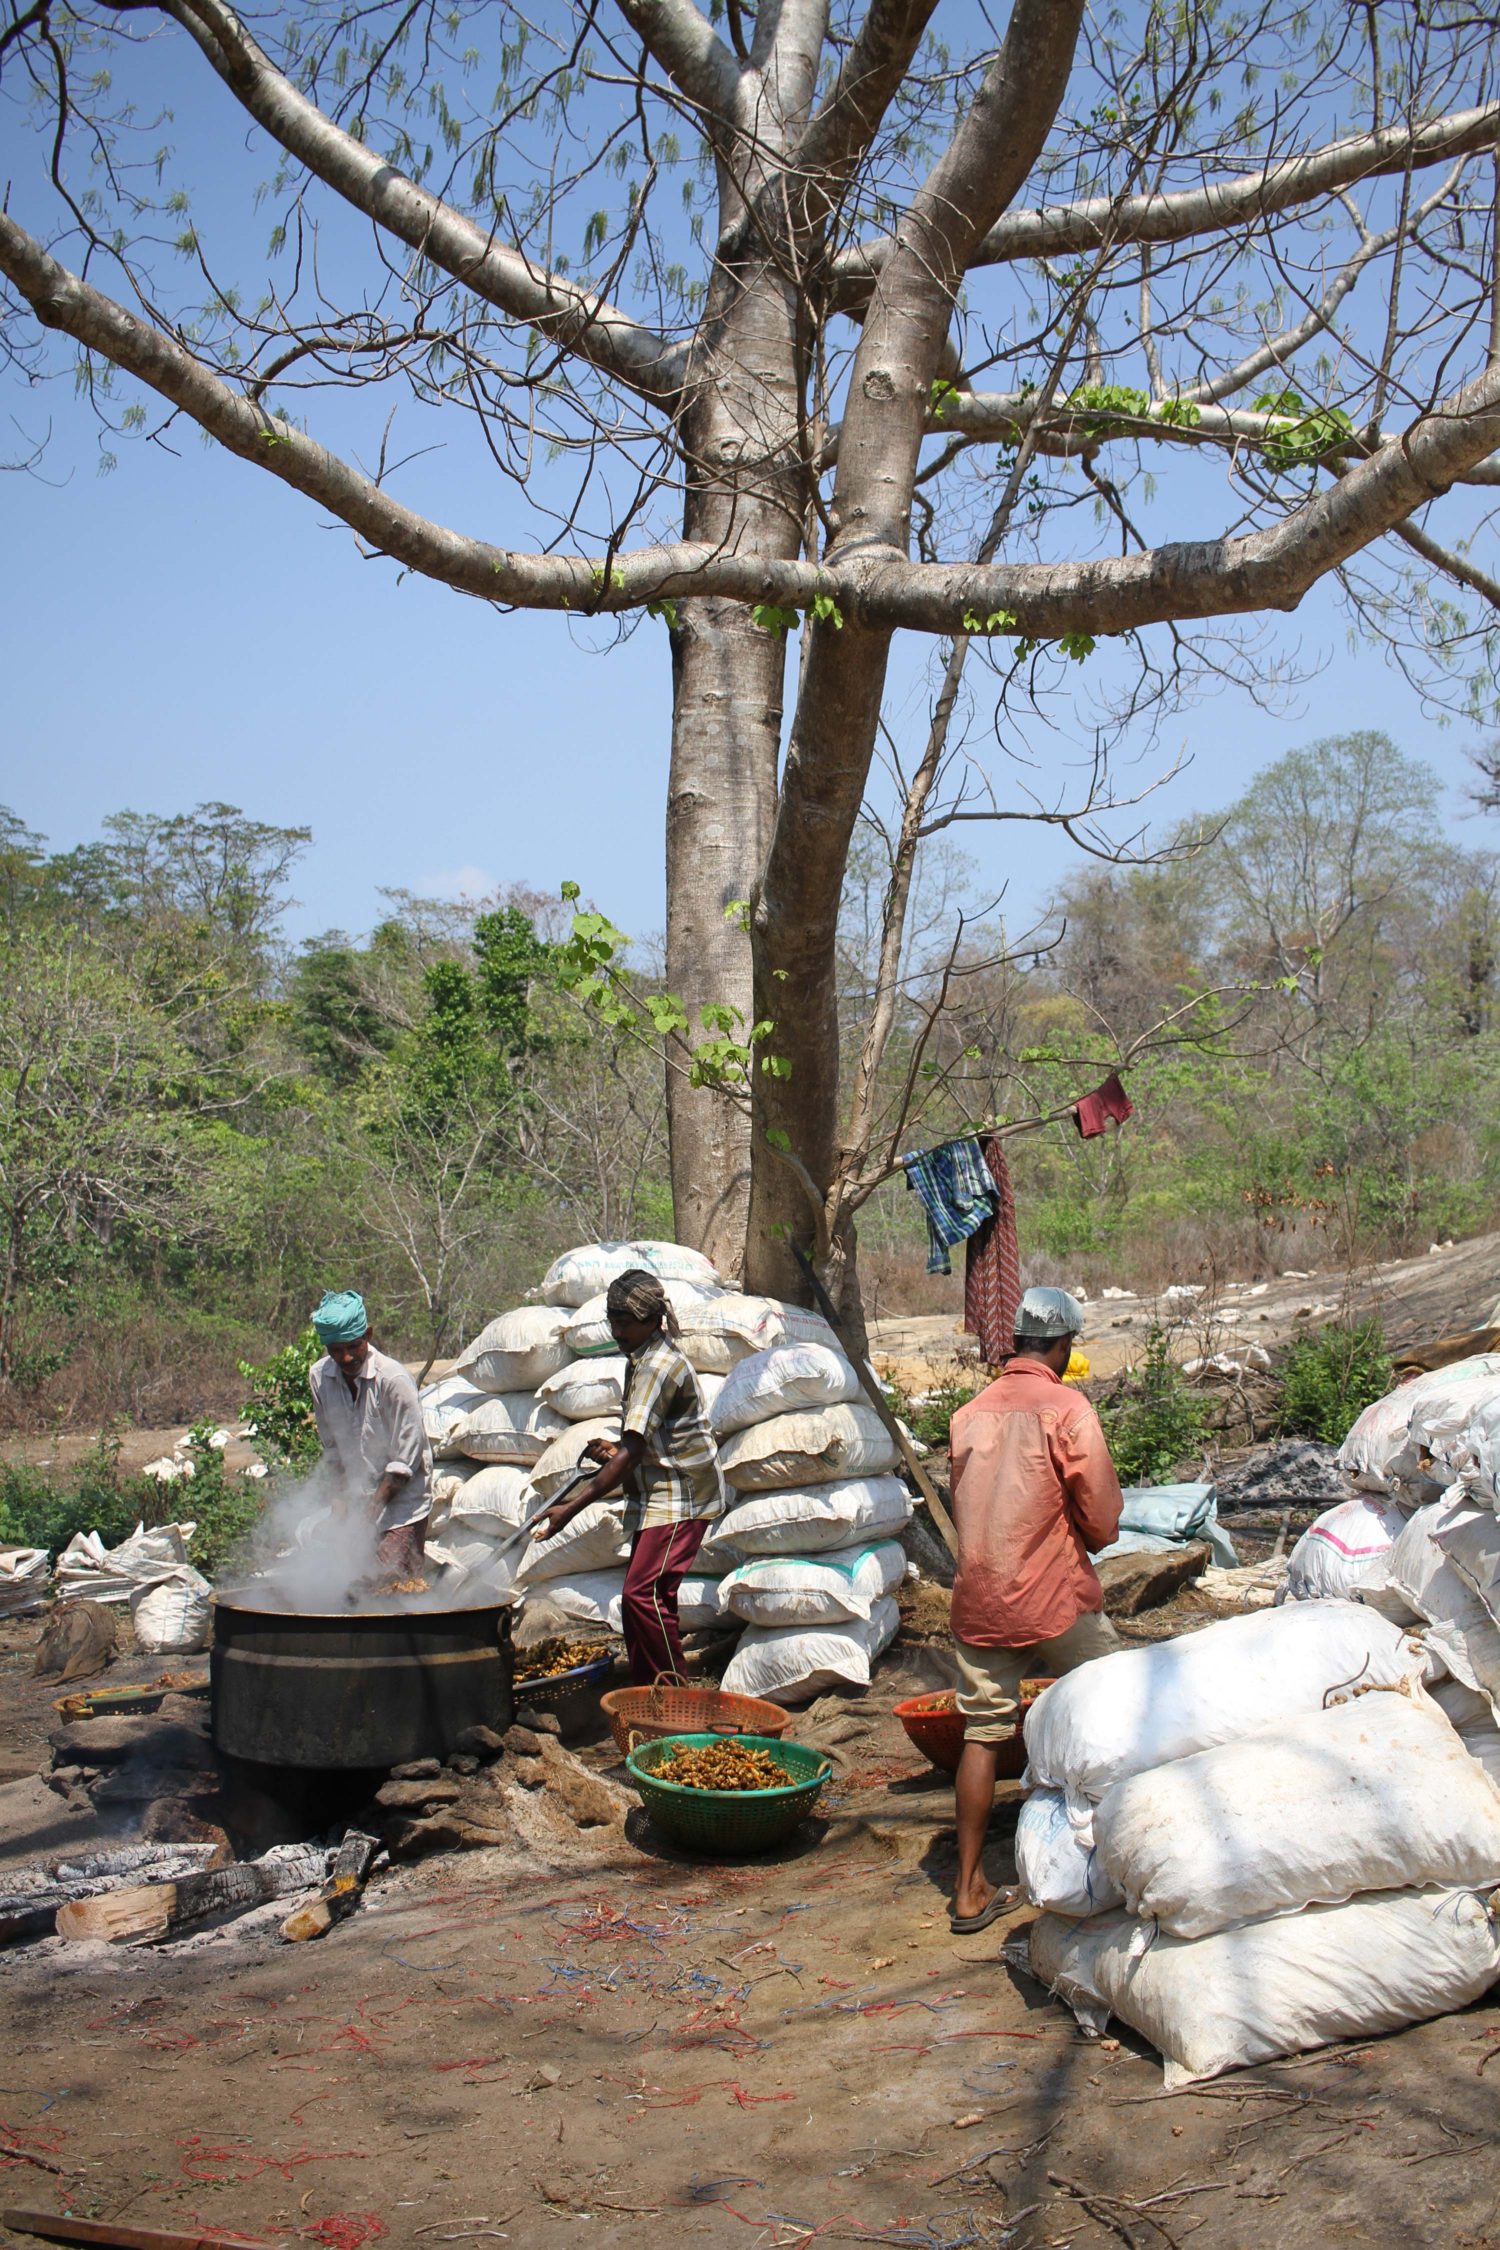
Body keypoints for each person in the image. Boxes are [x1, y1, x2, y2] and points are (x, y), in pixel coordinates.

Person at [946, 1285, 1123, 1933]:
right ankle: (1121, 1851)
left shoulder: (969, 1414)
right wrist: (1094, 1539)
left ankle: (967, 1890)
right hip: (1054, 1598)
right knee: (1115, 1703)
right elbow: (1100, 1516)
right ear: (1064, 1344)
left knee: (982, 1733)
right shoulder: (1067, 1409)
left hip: (980, 1597)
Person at [531, 1268, 725, 1684]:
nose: (616, 1331)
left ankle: (671, 1695)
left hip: (681, 1496)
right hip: (660, 1491)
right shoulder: (640, 1360)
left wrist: (570, 1508)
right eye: (612, 1320)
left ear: (652, 1320)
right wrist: (615, 1452)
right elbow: (641, 1443)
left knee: (643, 1596)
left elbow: (635, 1450)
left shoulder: (655, 1366)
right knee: (650, 1598)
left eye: (624, 1322)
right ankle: (647, 1687)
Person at [307, 1289, 433, 1578]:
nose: (346, 1357)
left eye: (353, 1346)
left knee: (392, 1580)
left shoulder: (394, 1380)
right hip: (358, 1495)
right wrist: (340, 1509)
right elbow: (333, 1450)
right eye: (336, 1350)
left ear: (368, 1335)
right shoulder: (319, 1377)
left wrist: (369, 1515)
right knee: (349, 1578)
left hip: (402, 1499)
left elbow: (404, 1464)